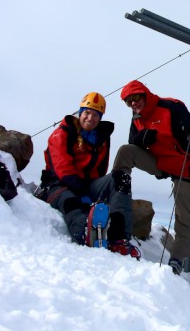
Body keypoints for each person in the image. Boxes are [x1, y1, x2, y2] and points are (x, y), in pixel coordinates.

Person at [113, 80, 190, 274]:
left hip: (185, 168)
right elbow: (132, 143)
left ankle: (176, 260)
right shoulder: (137, 117)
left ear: (145, 95)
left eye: (136, 98)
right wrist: (140, 139)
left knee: (184, 217)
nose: (133, 104)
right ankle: (116, 195)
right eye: (128, 101)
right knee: (126, 151)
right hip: (160, 163)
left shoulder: (170, 108)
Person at [41, 92, 140, 259]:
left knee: (120, 178)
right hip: (58, 184)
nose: (90, 117)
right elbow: (62, 168)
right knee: (72, 203)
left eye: (95, 114)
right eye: (87, 112)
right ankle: (84, 231)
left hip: (87, 185)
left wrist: (92, 192)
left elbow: (100, 170)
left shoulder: (101, 138)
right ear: (80, 112)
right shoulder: (62, 133)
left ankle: (119, 239)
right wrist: (83, 194)